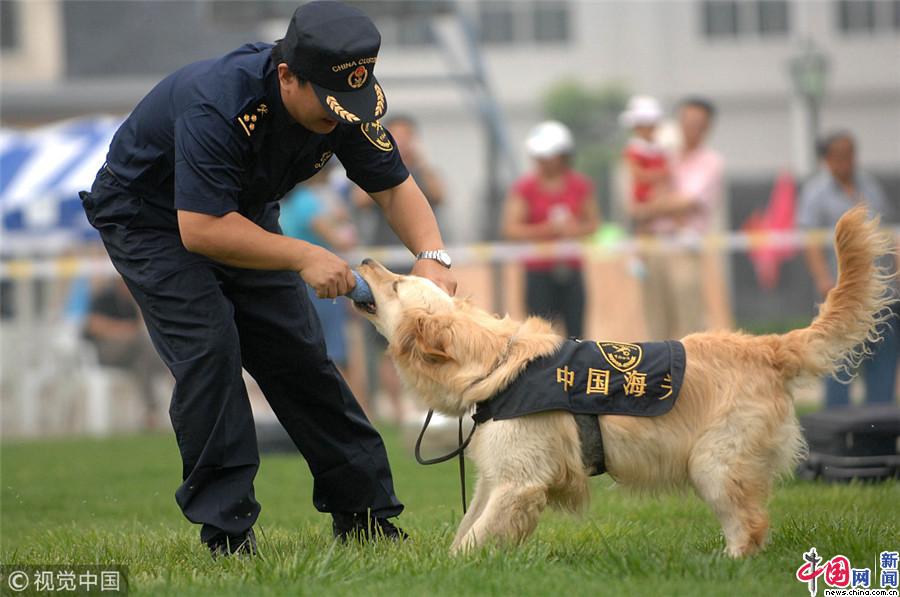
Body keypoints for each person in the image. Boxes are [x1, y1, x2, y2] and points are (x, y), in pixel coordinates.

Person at [79, 1, 456, 557]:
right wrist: (304, 255)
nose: (340, 118)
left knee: (299, 354)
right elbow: (202, 229)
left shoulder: (343, 105)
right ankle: (227, 534)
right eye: (330, 105)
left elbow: (394, 186)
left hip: (239, 211)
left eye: (351, 103)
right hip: (150, 218)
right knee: (210, 350)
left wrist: (432, 258)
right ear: (286, 75)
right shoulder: (218, 103)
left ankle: (368, 518)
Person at [352, 113, 445, 422]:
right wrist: (386, 166)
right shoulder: (373, 168)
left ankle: (424, 404)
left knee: (424, 334)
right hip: (385, 265)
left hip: (418, 264)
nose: (402, 143)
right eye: (397, 136)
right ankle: (394, 407)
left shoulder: (422, 170)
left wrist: (417, 165)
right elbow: (361, 200)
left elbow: (440, 194)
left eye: (407, 136)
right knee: (383, 341)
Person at [797, 131, 898, 407]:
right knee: (838, 364)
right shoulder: (815, 192)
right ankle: (839, 431)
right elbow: (812, 242)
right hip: (840, 293)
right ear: (827, 159)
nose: (847, 161)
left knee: (884, 361)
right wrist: (823, 280)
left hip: (880, 292)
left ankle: (879, 428)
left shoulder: (870, 186)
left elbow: (888, 233)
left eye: (851, 154)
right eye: (840, 155)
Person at [628, 97, 725, 340]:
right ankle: (660, 377)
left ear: (707, 127)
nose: (689, 128)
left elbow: (685, 202)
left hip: (683, 245)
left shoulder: (710, 161)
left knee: (689, 324)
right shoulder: (662, 154)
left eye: (697, 123)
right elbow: (636, 200)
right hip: (652, 243)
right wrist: (652, 206)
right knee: (655, 323)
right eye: (685, 121)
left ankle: (691, 376)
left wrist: (650, 207)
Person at [500, 120, 600, 338]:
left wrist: (575, 230)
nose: (544, 162)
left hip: (571, 268)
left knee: (576, 334)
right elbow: (511, 229)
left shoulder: (580, 185)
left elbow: (593, 224)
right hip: (538, 270)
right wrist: (546, 230)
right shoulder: (525, 188)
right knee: (540, 337)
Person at [279, 166, 365, 408]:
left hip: (295, 285)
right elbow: (339, 240)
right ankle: (352, 407)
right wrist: (344, 220)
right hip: (320, 287)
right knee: (334, 350)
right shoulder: (307, 200)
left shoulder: (286, 201)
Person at [82, 277, 167, 429]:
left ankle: (150, 414)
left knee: (142, 364)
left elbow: (139, 326)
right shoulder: (104, 297)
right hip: (105, 352)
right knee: (142, 343)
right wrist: (121, 331)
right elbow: (92, 325)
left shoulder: (129, 303)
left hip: (132, 356)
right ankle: (168, 367)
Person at [620, 95, 671, 207]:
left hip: (661, 191)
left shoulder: (660, 149)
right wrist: (658, 175)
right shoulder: (634, 149)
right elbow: (638, 174)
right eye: (645, 125)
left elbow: (668, 170)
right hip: (644, 194)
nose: (649, 129)